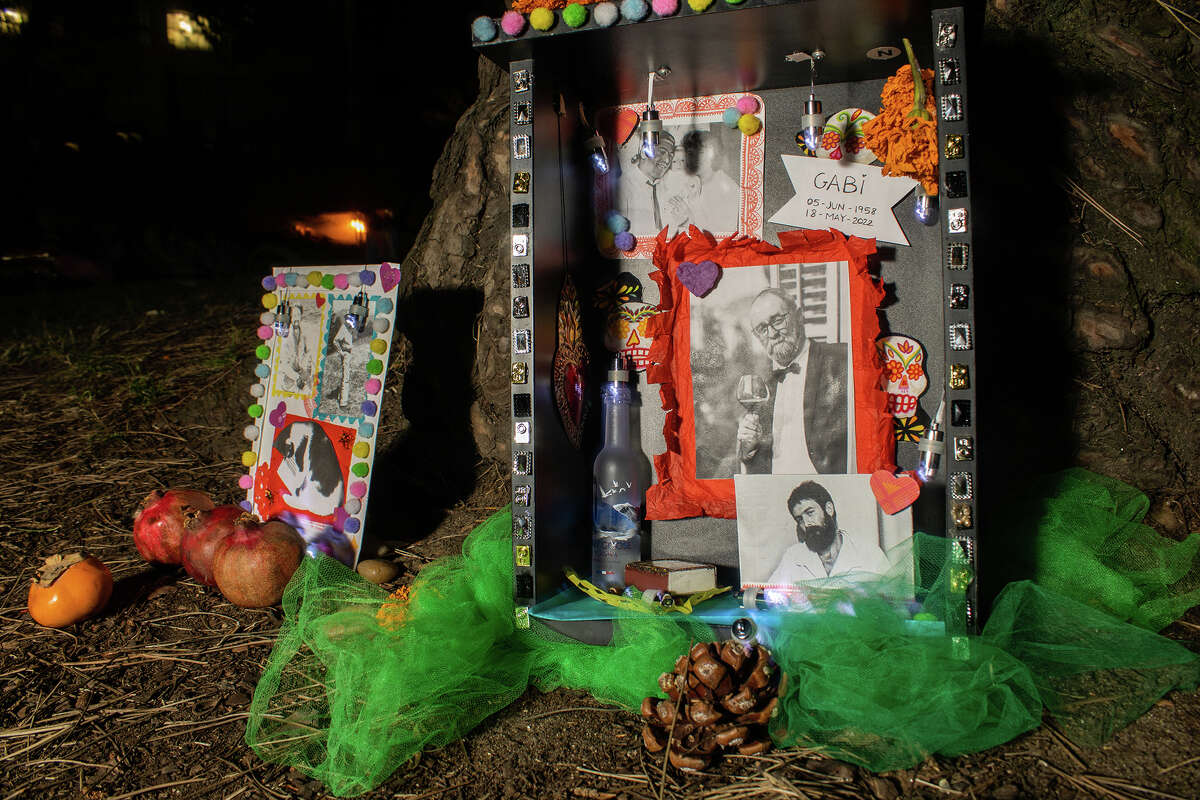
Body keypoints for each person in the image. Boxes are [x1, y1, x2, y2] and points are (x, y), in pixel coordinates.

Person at [736, 288, 848, 474]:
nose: (772, 333)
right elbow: (759, 465)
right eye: (762, 329)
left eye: (777, 320)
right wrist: (749, 449)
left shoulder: (841, 360)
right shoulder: (765, 392)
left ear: (799, 316)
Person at [767, 481, 891, 584]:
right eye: (799, 519)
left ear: (829, 509)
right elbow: (772, 596)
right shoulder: (793, 557)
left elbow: (893, 602)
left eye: (810, 513)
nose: (806, 523)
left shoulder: (869, 553)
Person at [664, 130, 739, 234]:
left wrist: (689, 219)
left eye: (699, 153)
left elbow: (723, 234)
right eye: (689, 153)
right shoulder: (689, 182)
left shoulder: (727, 187)